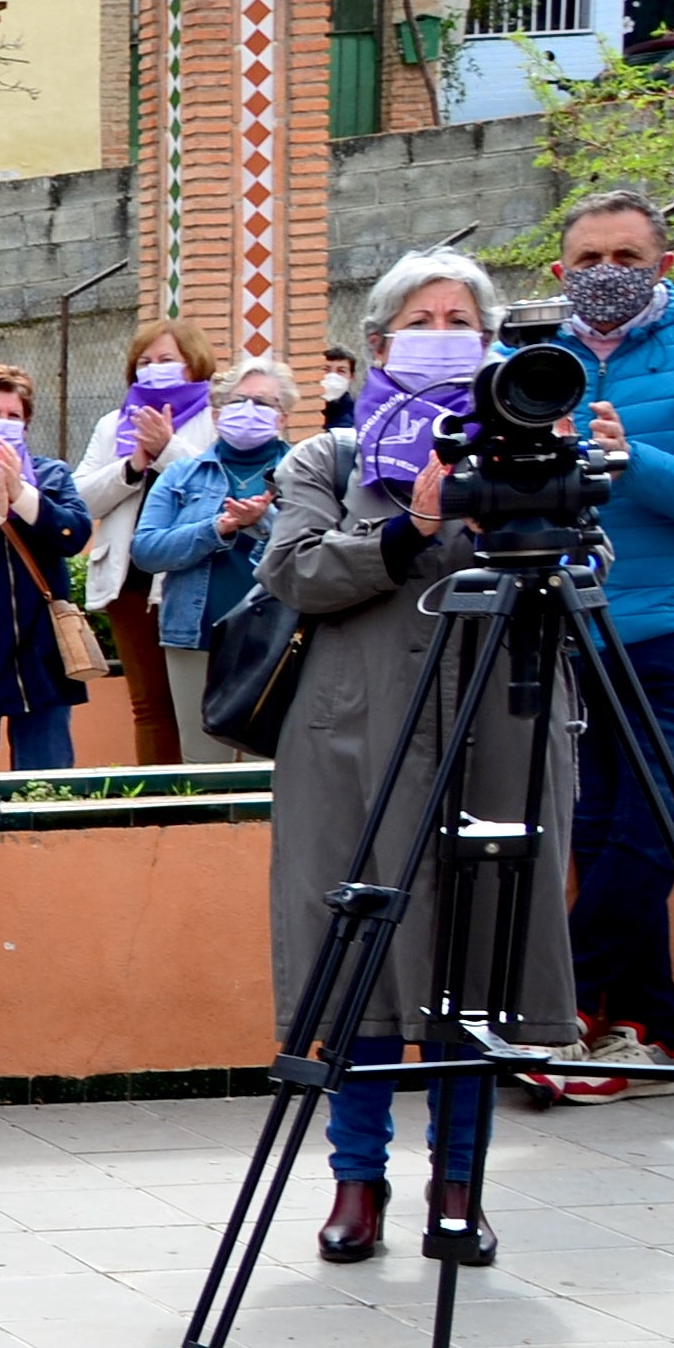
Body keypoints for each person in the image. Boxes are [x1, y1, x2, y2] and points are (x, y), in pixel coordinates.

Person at [270, 251, 575, 1265]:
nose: (442, 330)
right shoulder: (331, 459)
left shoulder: (529, 449)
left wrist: (553, 489)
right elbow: (295, 572)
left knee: (473, 961)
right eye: (421, 317)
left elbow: (589, 581)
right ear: (377, 343)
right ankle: (355, 1184)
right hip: (357, 742)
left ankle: (457, 1186)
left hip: (498, 728)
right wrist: (413, 524)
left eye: (460, 318)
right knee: (357, 957)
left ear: (490, 346)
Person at [539, 191, 674, 1096]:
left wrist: (631, 459)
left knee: (656, 824)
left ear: (665, 265)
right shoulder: (535, 364)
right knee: (598, 831)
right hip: (572, 631)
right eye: (590, 261)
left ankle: (557, 1002)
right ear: (560, 274)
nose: (607, 275)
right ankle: (643, 1033)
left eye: (626, 257)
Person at [127, 355, 296, 760]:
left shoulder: (305, 472)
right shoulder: (181, 474)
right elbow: (146, 550)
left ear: (283, 417)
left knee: (267, 760)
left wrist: (264, 521)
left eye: (264, 403)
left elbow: (316, 548)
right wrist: (215, 530)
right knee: (202, 762)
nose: (250, 411)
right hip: (193, 633)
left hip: (274, 637)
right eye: (240, 401)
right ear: (218, 414)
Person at [0, 365, 96, 773]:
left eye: (14, 417)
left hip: (42, 655)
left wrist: (23, 495)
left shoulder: (50, 475)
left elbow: (72, 535)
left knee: (47, 786)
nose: (3, 425)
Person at [77, 319, 213, 766]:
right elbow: (80, 497)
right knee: (150, 706)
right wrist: (133, 464)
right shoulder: (112, 424)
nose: (153, 369)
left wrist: (168, 447)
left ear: (193, 366)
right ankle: (156, 805)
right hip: (129, 581)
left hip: (191, 579)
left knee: (196, 703)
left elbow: (219, 486)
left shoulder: (216, 416)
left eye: (166, 360)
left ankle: (203, 805)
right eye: (145, 362)